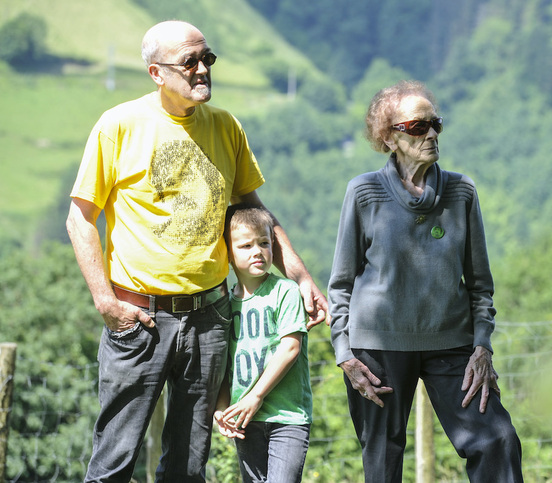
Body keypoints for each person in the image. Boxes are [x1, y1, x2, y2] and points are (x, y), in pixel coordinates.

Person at [65, 20, 326, 483]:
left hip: (210, 317)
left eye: (208, 58)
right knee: (115, 460)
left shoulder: (226, 127)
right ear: (156, 72)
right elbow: (81, 217)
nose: (203, 69)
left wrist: (301, 275)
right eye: (190, 61)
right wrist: (106, 302)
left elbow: (252, 209)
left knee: (188, 466)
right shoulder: (119, 125)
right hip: (138, 317)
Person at [327, 80, 523, 482]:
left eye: (436, 123)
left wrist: (482, 345)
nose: (431, 133)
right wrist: (344, 353)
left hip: (453, 345)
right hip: (375, 350)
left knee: (497, 439)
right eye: (418, 126)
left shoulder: (461, 192)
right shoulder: (363, 193)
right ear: (390, 137)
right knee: (382, 461)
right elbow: (341, 282)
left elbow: (480, 284)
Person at [214, 203, 312, 483]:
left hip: (287, 416)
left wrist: (255, 397)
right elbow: (223, 363)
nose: (257, 251)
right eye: (245, 246)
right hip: (244, 418)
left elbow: (290, 348)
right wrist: (222, 408)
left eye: (264, 243)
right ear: (228, 254)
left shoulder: (286, 291)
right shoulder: (223, 305)